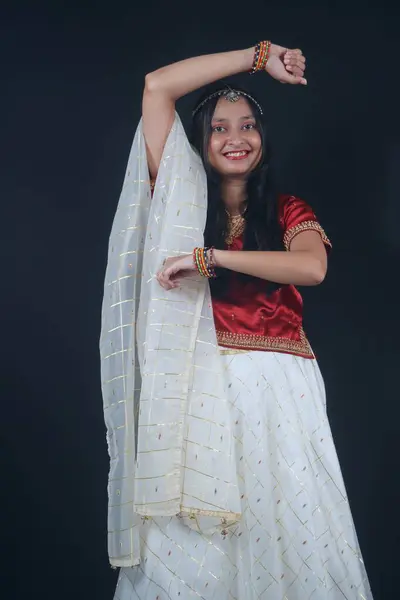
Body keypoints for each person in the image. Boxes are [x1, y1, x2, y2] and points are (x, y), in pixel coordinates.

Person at [100, 41, 373, 599]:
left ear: (263, 139)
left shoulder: (285, 209)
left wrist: (213, 259)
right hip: (198, 388)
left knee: (286, 530)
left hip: (278, 393)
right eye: (220, 127)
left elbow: (310, 268)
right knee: (197, 545)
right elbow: (158, 86)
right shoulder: (177, 199)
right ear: (199, 141)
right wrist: (259, 56)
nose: (235, 138)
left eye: (248, 125)